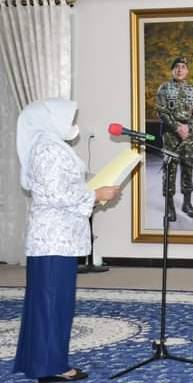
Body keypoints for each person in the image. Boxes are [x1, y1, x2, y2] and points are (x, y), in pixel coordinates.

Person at [13, 98, 121, 382]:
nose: (73, 123)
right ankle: (51, 368)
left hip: (54, 238)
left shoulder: (48, 144)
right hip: (54, 239)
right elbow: (57, 195)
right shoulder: (48, 148)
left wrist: (92, 192)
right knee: (53, 303)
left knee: (47, 302)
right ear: (51, 120)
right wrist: (96, 195)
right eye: (69, 118)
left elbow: (61, 189)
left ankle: (38, 361)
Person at [156, 56, 193, 221]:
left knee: (187, 169)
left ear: (187, 70)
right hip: (170, 135)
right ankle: (169, 206)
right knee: (170, 170)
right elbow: (162, 111)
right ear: (172, 70)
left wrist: (188, 127)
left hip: (188, 137)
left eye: (183, 66)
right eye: (177, 66)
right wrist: (177, 128)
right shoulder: (164, 88)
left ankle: (187, 203)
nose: (180, 69)